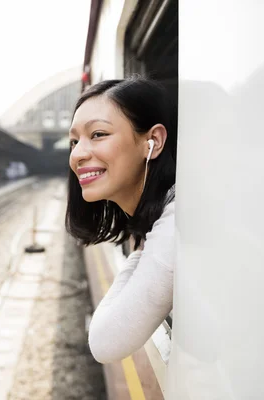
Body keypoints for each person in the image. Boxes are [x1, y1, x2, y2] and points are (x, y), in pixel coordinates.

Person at [66, 77, 177, 363]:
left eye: (98, 134)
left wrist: (140, 250)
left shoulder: (178, 223)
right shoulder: (167, 212)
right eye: (74, 141)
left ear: (153, 141)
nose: (77, 154)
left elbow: (105, 343)